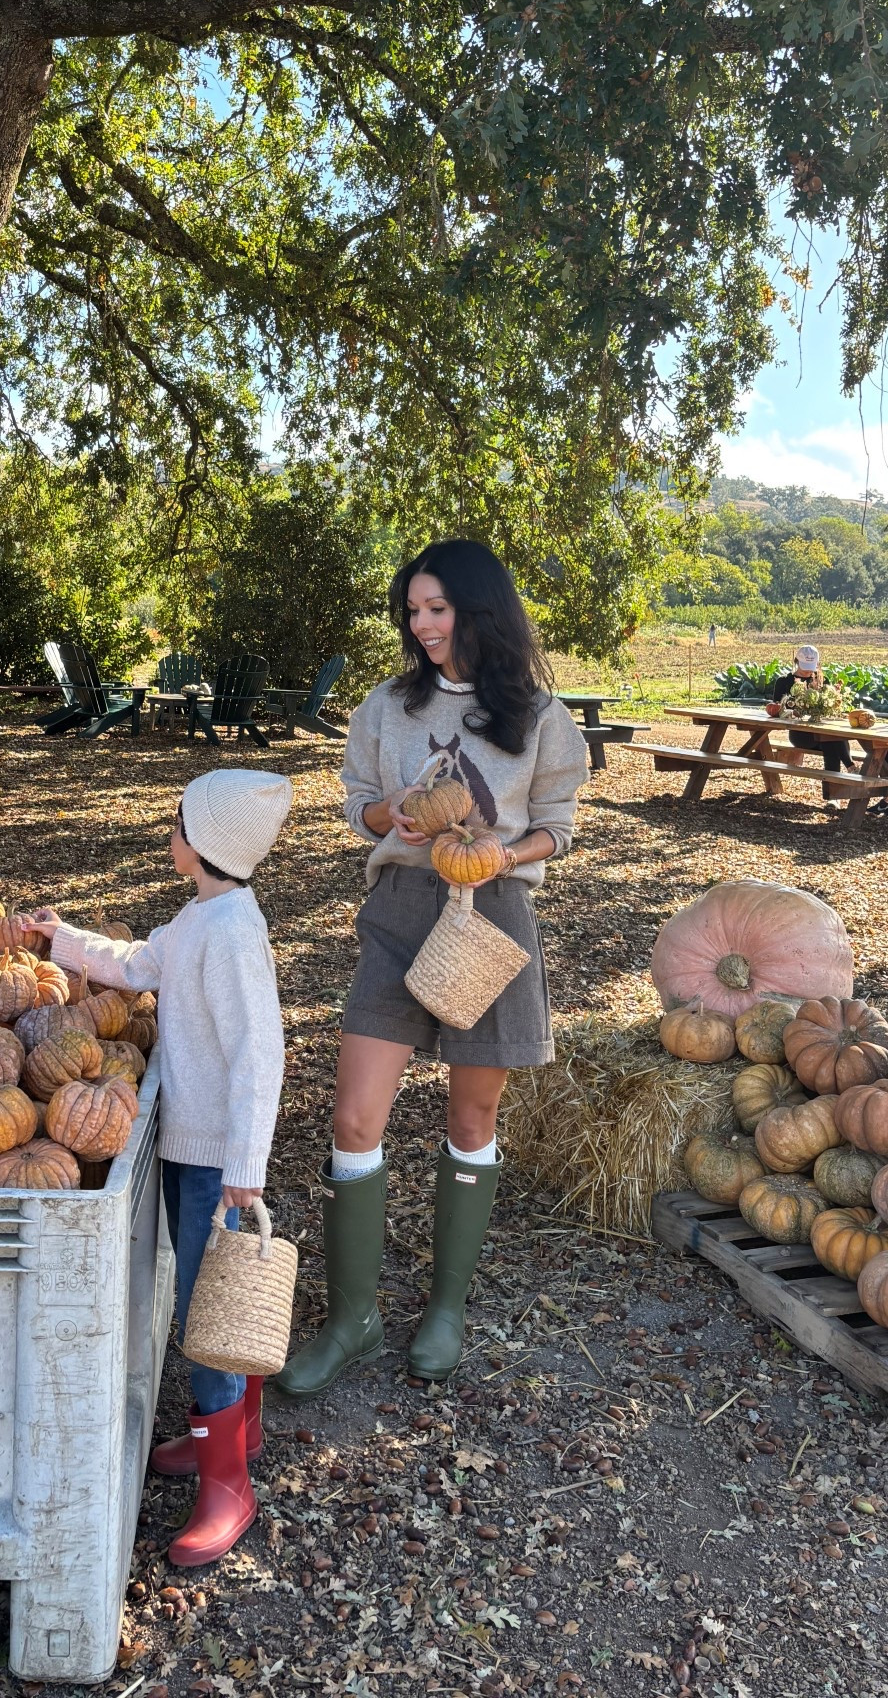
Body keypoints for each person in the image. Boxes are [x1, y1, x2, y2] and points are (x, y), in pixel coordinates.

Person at [275, 539, 590, 1397]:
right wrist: (393, 813)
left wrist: (503, 854)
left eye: (436, 609)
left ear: (478, 610)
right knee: (353, 1119)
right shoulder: (387, 705)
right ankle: (352, 1320)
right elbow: (355, 805)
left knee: (472, 1115)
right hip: (400, 912)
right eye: (412, 611)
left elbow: (558, 827)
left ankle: (445, 1308)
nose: (421, 625)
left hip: (492, 916)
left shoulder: (539, 716)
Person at [31, 766, 293, 1568]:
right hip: (188, 1144)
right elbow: (140, 965)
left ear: (204, 843)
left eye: (178, 824)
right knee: (210, 1302)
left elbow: (260, 1055)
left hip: (217, 1160)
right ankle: (234, 1433)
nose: (170, 834)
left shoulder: (235, 934)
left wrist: (246, 1162)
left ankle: (229, 1488)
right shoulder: (199, 915)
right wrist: (63, 938)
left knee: (205, 1319)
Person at [771, 643, 851, 791]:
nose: (809, 671)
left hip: (824, 733)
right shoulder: (784, 682)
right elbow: (776, 709)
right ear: (796, 661)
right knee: (832, 740)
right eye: (805, 666)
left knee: (831, 743)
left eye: (812, 666)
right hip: (801, 735)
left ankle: (833, 794)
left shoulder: (823, 682)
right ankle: (850, 766)